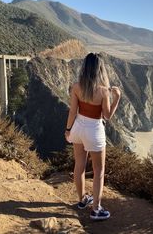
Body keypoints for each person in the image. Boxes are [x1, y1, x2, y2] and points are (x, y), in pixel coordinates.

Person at [65, 53, 121, 220]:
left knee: (79, 165)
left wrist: (68, 129)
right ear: (100, 69)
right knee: (99, 170)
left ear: (85, 68)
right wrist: (117, 97)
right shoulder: (104, 91)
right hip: (94, 130)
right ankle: (96, 209)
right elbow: (107, 115)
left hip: (78, 127)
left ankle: (82, 200)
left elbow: (72, 111)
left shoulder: (76, 86)